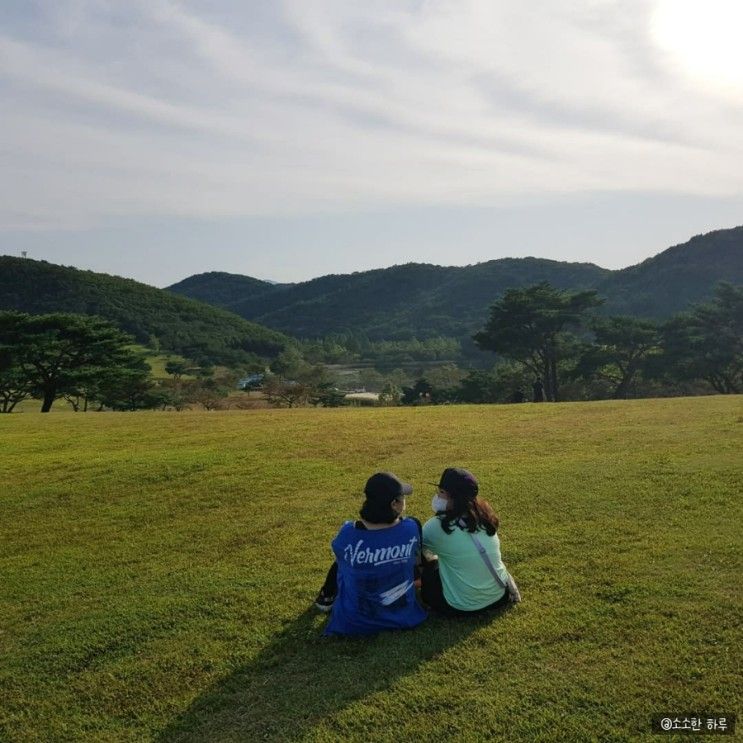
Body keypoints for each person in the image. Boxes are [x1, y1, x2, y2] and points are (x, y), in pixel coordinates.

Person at [316, 472, 428, 636]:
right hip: (403, 616)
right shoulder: (411, 527)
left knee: (344, 561)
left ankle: (326, 597)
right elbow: (417, 562)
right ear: (394, 504)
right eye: (402, 497)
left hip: (355, 621)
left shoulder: (348, 533)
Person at [421, 467, 513, 615]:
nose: (437, 495)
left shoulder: (437, 525)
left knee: (429, 566)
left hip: (460, 606)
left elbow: (415, 550)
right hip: (501, 596)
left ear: (453, 497)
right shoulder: (485, 516)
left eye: (441, 492)